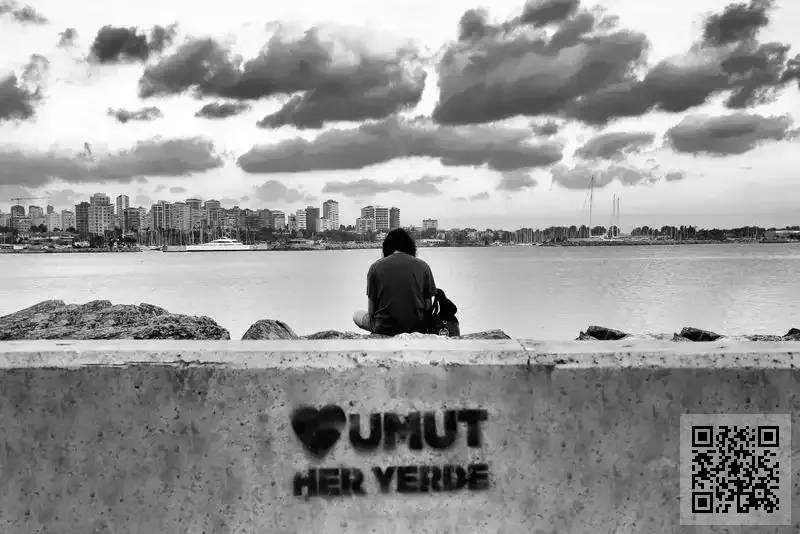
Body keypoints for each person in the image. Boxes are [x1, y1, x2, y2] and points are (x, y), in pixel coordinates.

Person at [353, 228, 436, 336]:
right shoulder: (424, 266)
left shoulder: (375, 267)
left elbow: (371, 311)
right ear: (410, 247)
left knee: (357, 315)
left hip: (384, 327)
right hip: (417, 327)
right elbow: (428, 307)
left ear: (387, 247)